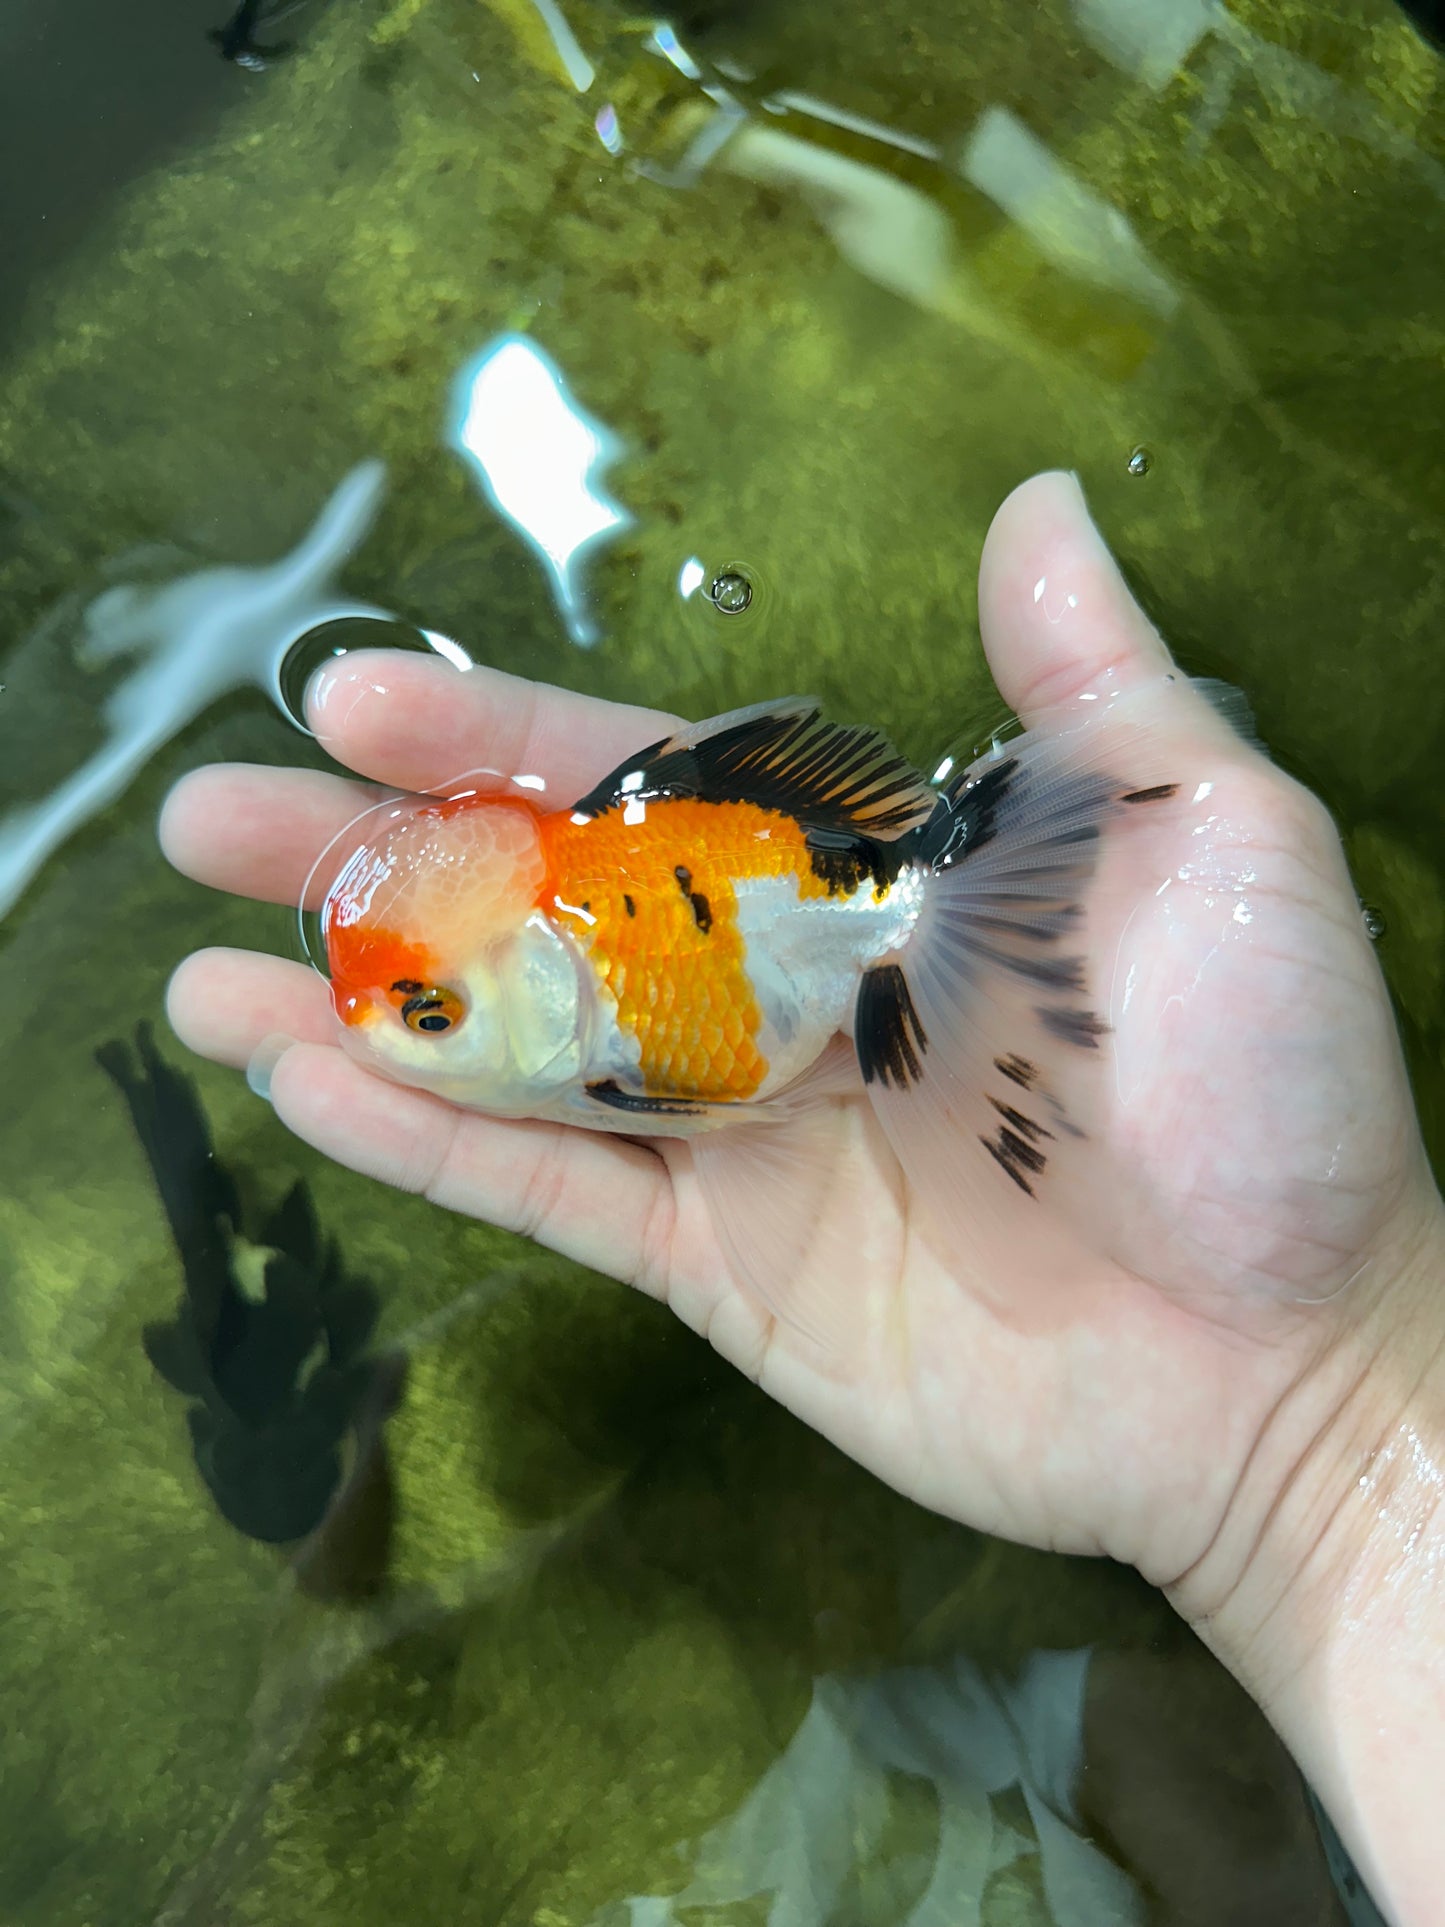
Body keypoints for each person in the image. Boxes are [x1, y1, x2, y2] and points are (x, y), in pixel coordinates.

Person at [160, 472, 1445, 1924]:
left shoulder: (722, 956)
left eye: (436, 1020)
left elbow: (722, 1068)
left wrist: (1324, 1407)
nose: (404, 1047)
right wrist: (1326, 1432)